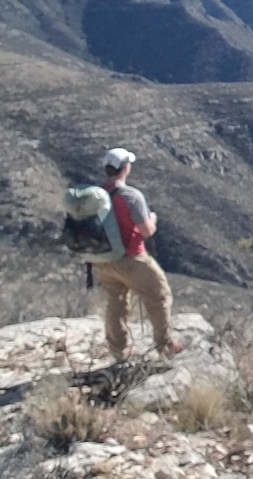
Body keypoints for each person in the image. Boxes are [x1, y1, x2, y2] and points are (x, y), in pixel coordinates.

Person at [94, 148, 183, 359]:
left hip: (102, 259)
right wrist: (153, 219)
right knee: (159, 296)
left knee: (116, 303)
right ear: (125, 168)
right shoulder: (130, 196)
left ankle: (119, 350)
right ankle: (165, 345)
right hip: (131, 258)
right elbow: (146, 231)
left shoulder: (96, 194)